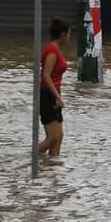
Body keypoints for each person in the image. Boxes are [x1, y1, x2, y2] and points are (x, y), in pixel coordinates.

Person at [38, 17, 71, 157]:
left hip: (53, 94)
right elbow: (45, 75)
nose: (69, 37)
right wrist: (57, 97)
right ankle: (30, 159)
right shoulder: (52, 50)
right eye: (69, 34)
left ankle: (51, 171)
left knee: (59, 137)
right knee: (52, 138)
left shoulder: (55, 49)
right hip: (48, 95)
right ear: (63, 34)